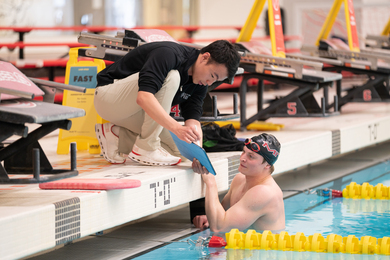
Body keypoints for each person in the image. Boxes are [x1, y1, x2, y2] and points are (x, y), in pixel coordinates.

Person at [94, 40, 241, 166]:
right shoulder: (169, 54)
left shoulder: (200, 83)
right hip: (108, 98)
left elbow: (193, 119)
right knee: (172, 77)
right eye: (212, 75)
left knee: (182, 153)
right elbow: (143, 97)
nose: (210, 82)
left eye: (216, 80)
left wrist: (198, 153)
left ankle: (116, 134)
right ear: (204, 58)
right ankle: (146, 147)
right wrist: (177, 128)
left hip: (134, 112)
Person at [192, 133, 285, 233]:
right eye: (243, 152)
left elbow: (219, 228)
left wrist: (210, 182)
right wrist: (209, 218)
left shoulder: (264, 192)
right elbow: (222, 216)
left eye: (251, 156)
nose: (242, 158)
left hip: (265, 248)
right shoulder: (239, 180)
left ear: (267, 165)